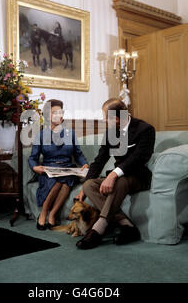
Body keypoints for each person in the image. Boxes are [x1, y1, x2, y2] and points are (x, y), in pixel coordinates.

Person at [75, 98, 155, 249]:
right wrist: (83, 188)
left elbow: (138, 158)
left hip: (138, 176)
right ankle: (126, 225)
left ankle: (98, 229)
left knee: (119, 181)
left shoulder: (145, 129)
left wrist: (113, 175)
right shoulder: (111, 132)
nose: (104, 120)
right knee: (89, 185)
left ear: (116, 119)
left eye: (105, 117)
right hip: (119, 177)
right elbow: (99, 160)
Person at [29, 99, 89, 230]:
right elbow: (32, 158)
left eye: (60, 112)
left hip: (67, 168)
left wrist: (85, 164)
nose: (58, 115)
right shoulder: (41, 135)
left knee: (66, 179)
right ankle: (44, 213)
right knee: (59, 181)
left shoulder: (70, 134)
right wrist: (35, 167)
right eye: (54, 112)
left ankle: (52, 214)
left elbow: (78, 154)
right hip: (49, 169)